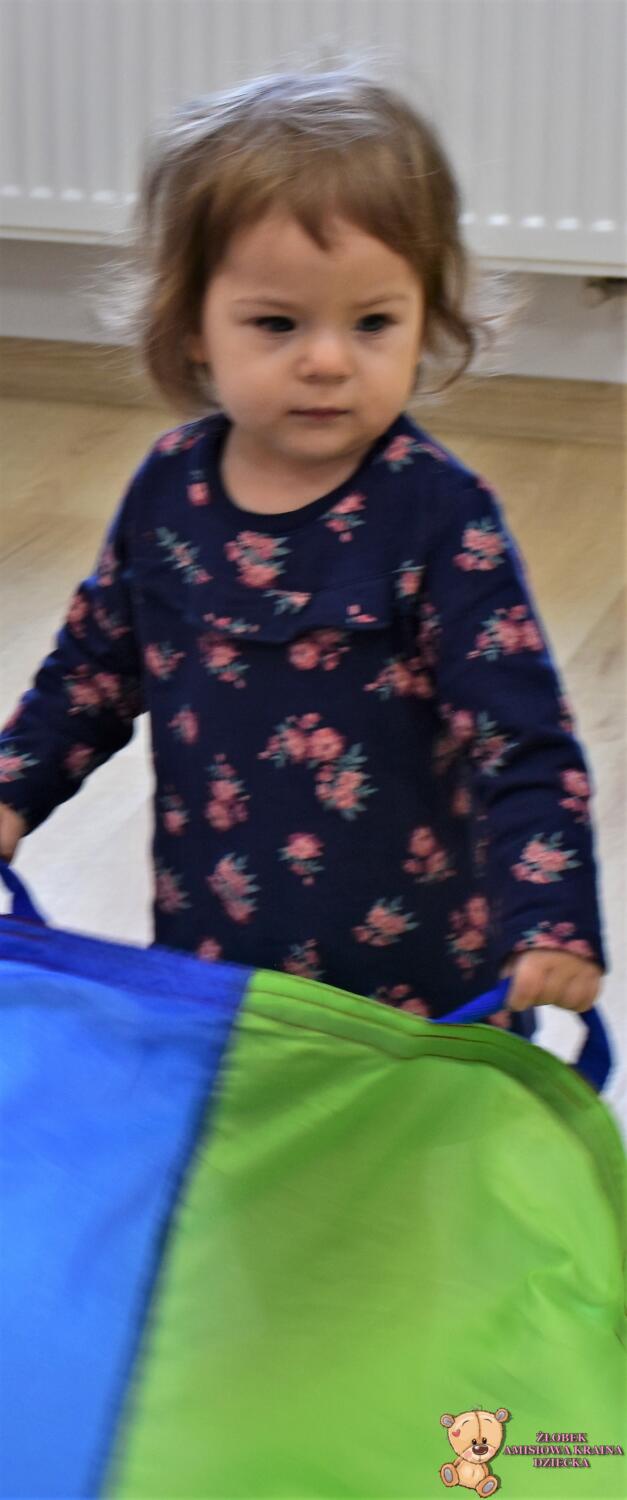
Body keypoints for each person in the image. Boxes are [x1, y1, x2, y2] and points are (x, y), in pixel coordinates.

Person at [0, 65, 605, 1025]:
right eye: (276, 323)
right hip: (219, 962)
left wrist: (551, 916)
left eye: (373, 322)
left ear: (425, 317)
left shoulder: (440, 515)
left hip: (421, 988)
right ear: (193, 327)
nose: (327, 360)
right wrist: (12, 790)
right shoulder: (168, 492)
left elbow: (519, 735)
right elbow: (92, 672)